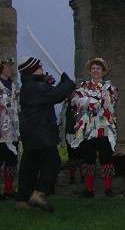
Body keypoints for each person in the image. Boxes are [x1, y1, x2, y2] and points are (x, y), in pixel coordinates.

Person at [16, 57, 75, 211]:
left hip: (31, 133)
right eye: (38, 67)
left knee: (30, 165)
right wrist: (67, 83)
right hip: (41, 132)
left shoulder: (29, 86)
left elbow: (48, 94)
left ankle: (22, 199)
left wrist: (46, 81)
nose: (41, 68)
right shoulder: (35, 87)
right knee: (53, 162)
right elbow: (57, 95)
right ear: (32, 70)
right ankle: (39, 193)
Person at [69, 57, 118, 197]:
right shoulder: (83, 86)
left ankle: (108, 188)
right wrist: (87, 102)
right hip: (88, 128)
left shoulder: (109, 87)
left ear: (103, 71)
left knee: (106, 157)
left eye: (98, 68)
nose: (95, 70)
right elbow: (75, 103)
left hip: (104, 127)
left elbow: (111, 104)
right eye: (93, 68)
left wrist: (96, 102)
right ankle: (88, 189)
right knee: (88, 158)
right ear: (90, 71)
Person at [0, 57, 20, 199]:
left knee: (11, 160)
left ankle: (8, 189)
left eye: (10, 66)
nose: (9, 69)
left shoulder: (13, 85)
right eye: (7, 66)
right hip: (0, 128)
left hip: (13, 129)